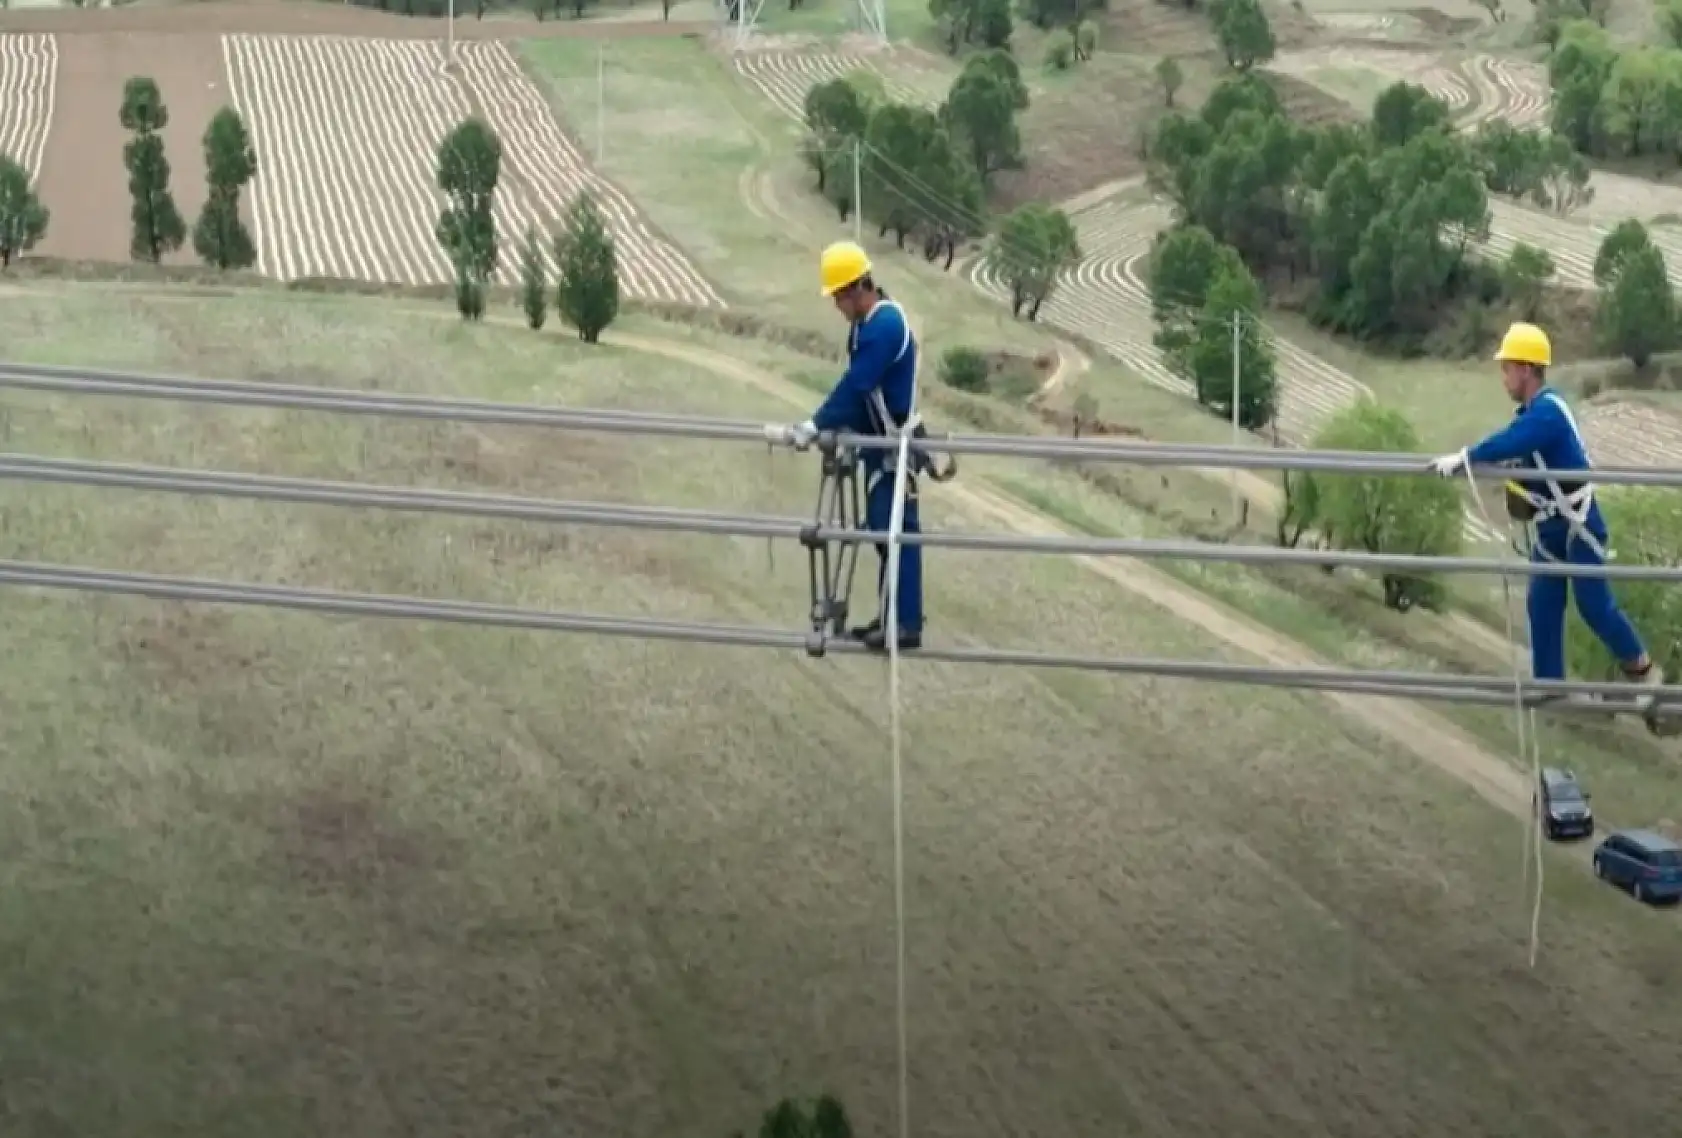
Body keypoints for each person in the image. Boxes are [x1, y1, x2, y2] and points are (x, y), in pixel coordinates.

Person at [1429, 321, 1663, 705]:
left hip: (1578, 524)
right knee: (1542, 602)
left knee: (1594, 605)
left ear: (1525, 369)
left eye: (1506, 369)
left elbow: (1513, 442)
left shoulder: (1548, 413)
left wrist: (1466, 457)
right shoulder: (1533, 413)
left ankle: (1642, 669)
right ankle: (1549, 685)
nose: (1503, 377)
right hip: (1553, 528)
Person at [768, 241, 924, 652]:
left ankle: (905, 624)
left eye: (838, 296)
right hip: (875, 443)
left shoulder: (885, 327)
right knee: (881, 531)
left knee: (896, 534)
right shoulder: (865, 325)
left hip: (893, 446)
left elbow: (857, 386)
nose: (836, 305)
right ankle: (893, 617)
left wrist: (814, 424)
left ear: (856, 289)